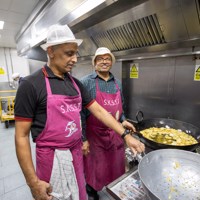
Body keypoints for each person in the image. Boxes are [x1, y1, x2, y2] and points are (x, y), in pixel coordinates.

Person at [14, 24, 145, 200]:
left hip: (76, 155)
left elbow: (99, 111)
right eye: (69, 53)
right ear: (51, 51)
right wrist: (33, 183)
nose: (75, 59)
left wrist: (126, 135)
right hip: (52, 160)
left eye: (76, 53)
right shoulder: (30, 85)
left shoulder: (76, 84)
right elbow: (21, 136)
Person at [80, 47, 137, 199]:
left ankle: (112, 191)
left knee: (114, 167)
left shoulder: (117, 83)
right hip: (94, 136)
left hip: (115, 135)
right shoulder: (85, 82)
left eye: (108, 58)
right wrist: (83, 139)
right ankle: (92, 193)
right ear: (94, 62)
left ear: (111, 62)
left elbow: (121, 109)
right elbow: (80, 113)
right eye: (100, 58)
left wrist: (124, 121)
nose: (104, 61)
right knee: (94, 169)